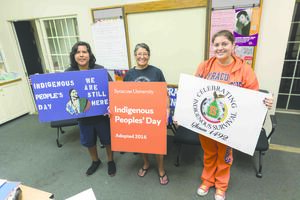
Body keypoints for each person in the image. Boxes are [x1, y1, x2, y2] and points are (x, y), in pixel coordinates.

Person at [194, 30, 273, 200]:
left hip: (229, 124)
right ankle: (207, 181)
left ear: (233, 46)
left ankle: (221, 186)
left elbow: (253, 96)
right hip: (206, 121)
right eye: (216, 44)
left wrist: (264, 102)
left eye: (224, 44)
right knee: (209, 154)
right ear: (212, 47)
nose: (220, 48)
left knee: (225, 156)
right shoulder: (204, 66)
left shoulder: (244, 70)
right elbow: (194, 91)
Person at [65, 41, 116, 176]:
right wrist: (35, 82)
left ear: (89, 54)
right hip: (83, 116)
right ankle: (95, 161)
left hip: (101, 115)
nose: (81, 55)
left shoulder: (99, 70)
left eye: (84, 52)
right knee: (89, 141)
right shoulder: (69, 72)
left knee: (107, 139)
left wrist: (111, 104)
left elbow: (111, 89)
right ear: (74, 55)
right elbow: (61, 91)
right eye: (78, 52)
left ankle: (111, 160)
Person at [123, 43, 169, 185]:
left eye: (145, 54)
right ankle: (146, 163)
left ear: (148, 55)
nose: (142, 56)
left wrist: (167, 110)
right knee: (142, 143)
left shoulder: (156, 72)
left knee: (158, 144)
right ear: (135, 55)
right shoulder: (129, 74)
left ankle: (161, 169)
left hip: (155, 115)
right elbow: (123, 95)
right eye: (139, 53)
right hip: (138, 116)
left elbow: (165, 94)